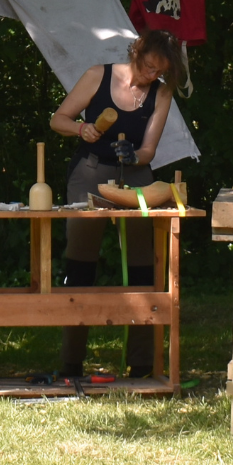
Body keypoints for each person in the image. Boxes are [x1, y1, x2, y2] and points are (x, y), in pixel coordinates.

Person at [47, 30, 190, 378]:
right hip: (90, 171)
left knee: (143, 266)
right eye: (148, 66)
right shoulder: (98, 75)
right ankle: (71, 363)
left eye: (159, 71)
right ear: (136, 51)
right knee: (80, 265)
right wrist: (81, 130)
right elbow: (58, 119)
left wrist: (135, 155)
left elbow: (149, 150)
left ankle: (141, 364)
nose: (151, 75)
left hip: (135, 174)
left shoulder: (161, 92)